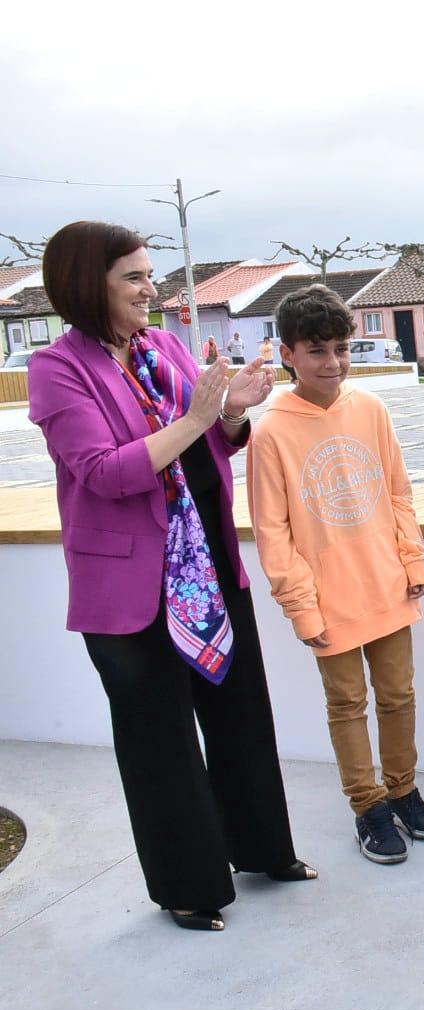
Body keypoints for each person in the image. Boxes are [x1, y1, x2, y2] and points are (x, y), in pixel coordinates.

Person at [28, 221, 312, 933]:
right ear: (87, 285)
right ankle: (189, 886)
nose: (149, 289)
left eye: (149, 274)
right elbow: (103, 472)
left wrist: (234, 413)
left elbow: (212, 438)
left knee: (241, 712)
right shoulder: (56, 369)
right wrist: (198, 416)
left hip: (206, 562)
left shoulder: (163, 346)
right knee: (159, 739)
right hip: (130, 586)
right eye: (133, 277)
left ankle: (263, 850)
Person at [248, 283, 424, 866]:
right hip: (327, 599)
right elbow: (272, 532)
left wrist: (412, 559)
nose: (332, 363)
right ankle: (368, 805)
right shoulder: (270, 431)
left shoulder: (371, 409)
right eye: (316, 351)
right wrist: (301, 606)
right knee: (348, 702)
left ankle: (403, 789)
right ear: (288, 355)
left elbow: (399, 492)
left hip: (386, 582)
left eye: (341, 349)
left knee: (399, 695)